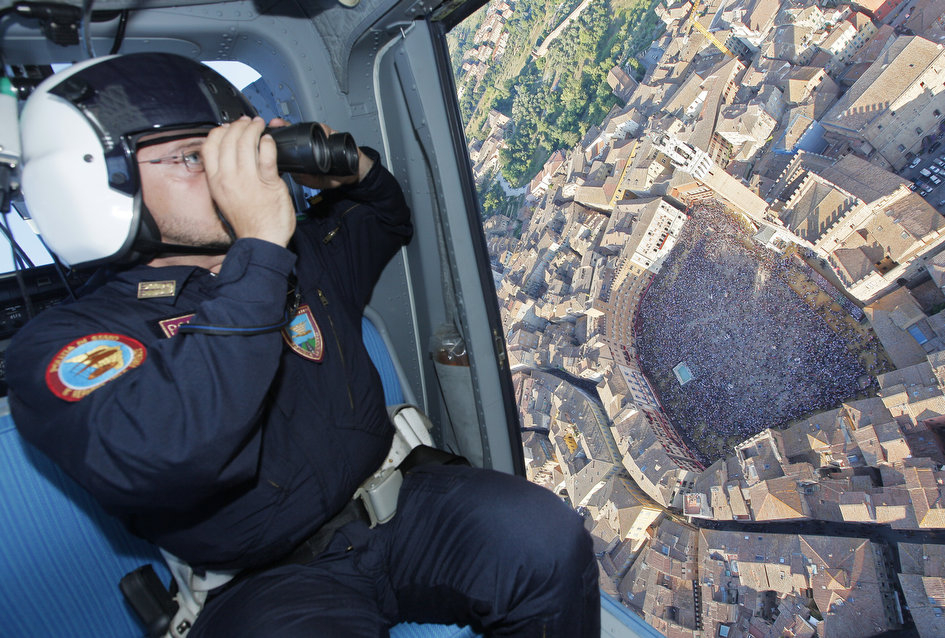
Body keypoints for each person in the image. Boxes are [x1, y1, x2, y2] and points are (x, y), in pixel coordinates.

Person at [6, 53, 599, 637]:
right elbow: (174, 449)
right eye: (193, 157)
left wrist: (352, 172)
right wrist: (259, 246)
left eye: (228, 153)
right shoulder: (64, 347)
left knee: (546, 540)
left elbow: (385, 218)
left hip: (398, 508)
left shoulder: (296, 256)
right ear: (93, 189)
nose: (229, 177)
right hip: (265, 583)